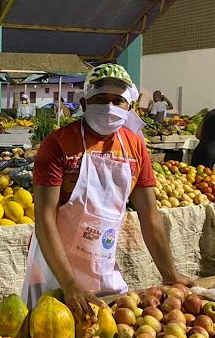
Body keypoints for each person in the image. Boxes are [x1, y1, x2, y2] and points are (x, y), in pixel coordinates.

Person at [22, 63, 193, 317]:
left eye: (118, 101)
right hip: (55, 271)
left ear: (130, 107)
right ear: (84, 103)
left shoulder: (135, 146)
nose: (110, 107)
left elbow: (150, 215)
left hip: (103, 265)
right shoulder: (58, 144)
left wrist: (170, 274)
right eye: (101, 99)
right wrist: (69, 284)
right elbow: (45, 218)